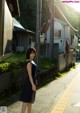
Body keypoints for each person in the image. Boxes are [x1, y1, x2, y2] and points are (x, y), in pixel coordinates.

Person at [19, 48, 37, 113]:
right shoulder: (29, 63)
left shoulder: (33, 62)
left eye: (34, 53)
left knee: (30, 101)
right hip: (29, 83)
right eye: (31, 53)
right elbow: (29, 75)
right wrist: (32, 84)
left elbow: (34, 74)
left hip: (32, 82)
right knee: (26, 101)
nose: (33, 54)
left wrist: (35, 82)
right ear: (28, 54)